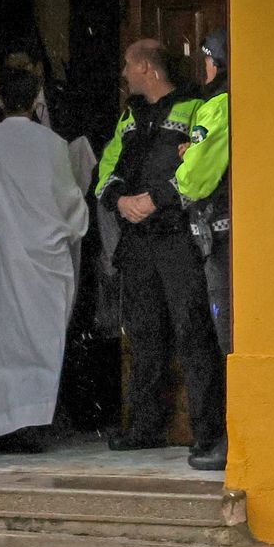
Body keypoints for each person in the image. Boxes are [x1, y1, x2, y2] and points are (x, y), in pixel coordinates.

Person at [96, 40, 227, 471]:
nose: (124, 74)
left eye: (129, 65)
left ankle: (207, 434)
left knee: (194, 333)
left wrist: (154, 200)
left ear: (148, 68)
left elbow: (198, 170)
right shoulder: (130, 116)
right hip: (136, 242)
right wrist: (119, 200)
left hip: (180, 238)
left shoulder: (196, 106)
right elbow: (107, 168)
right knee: (144, 334)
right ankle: (145, 427)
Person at [0, 69, 90, 450]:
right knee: (38, 342)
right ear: (37, 98)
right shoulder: (53, 144)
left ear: (0, 99)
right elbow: (71, 205)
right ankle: (30, 426)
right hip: (43, 261)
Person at [177, 28, 233, 355]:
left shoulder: (219, 105)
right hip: (223, 237)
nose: (206, 68)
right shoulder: (230, 100)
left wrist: (186, 161)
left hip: (219, 237)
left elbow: (195, 179)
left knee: (224, 333)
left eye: (208, 59)